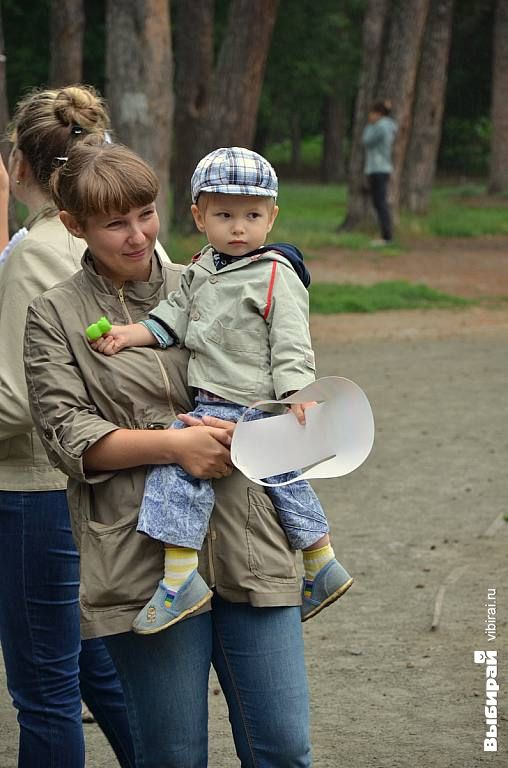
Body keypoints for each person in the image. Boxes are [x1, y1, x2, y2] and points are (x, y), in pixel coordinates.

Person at [24, 137, 312, 766]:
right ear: (74, 225)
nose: (136, 235)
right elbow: (68, 436)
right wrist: (174, 446)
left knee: (285, 748)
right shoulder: (55, 315)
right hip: (141, 555)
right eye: (114, 223)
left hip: (248, 532)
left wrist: (287, 414)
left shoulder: (217, 278)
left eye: (146, 214)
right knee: (174, 755)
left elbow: (280, 377)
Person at [90, 146, 353, 634]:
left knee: (178, 470)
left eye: (252, 215)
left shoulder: (276, 272)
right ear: (198, 215)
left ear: (272, 217)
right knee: (281, 476)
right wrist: (130, 334)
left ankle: (179, 578)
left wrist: (298, 392)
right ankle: (321, 561)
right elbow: (170, 319)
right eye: (225, 215)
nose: (239, 228)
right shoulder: (202, 269)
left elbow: (292, 340)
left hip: (248, 400)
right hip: (216, 398)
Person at [0, 86, 135, 768]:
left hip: (37, 489)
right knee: (95, 669)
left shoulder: (35, 253)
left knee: (46, 691)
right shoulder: (130, 237)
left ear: (19, 164)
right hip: (105, 479)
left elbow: (16, 402)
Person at [362, 100, 398, 246]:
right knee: (379, 202)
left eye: (372, 113)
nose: (370, 116)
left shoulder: (380, 126)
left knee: (380, 202)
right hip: (382, 168)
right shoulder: (389, 126)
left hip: (378, 168)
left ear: (379, 113)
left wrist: (370, 125)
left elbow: (366, 140)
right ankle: (386, 234)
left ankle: (387, 236)